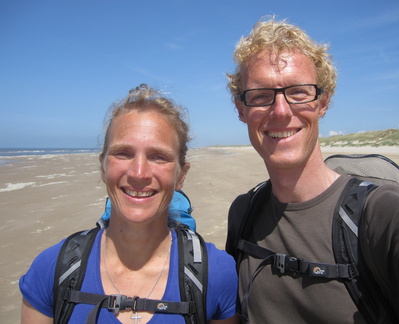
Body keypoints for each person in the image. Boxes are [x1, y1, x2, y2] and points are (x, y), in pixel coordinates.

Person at [225, 16, 399, 323]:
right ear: (242, 109)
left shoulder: (382, 213)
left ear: (323, 102)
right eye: (260, 96)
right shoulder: (243, 213)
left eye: (298, 91)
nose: (281, 111)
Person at [20, 84, 239, 323]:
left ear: (181, 175)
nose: (138, 172)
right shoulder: (51, 270)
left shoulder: (216, 274)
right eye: (123, 153)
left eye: (158, 156)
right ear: (103, 166)